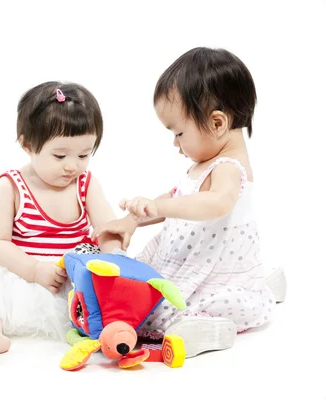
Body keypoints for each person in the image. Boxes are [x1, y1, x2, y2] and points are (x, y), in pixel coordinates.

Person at [94, 47, 286, 358]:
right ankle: (263, 285)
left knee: (172, 312)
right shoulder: (205, 160)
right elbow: (175, 196)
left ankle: (212, 329)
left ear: (217, 123)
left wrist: (161, 209)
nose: (175, 144)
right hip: (187, 258)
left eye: (179, 132)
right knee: (147, 291)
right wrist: (133, 220)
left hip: (213, 266)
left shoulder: (229, 166)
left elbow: (217, 203)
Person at [0, 81, 122, 362]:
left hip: (73, 276)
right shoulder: (11, 187)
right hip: (22, 271)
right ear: (28, 144)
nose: (73, 165)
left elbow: (106, 227)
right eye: (60, 155)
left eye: (84, 155)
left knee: (109, 305)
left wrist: (115, 256)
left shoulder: (86, 184)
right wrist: (33, 270)